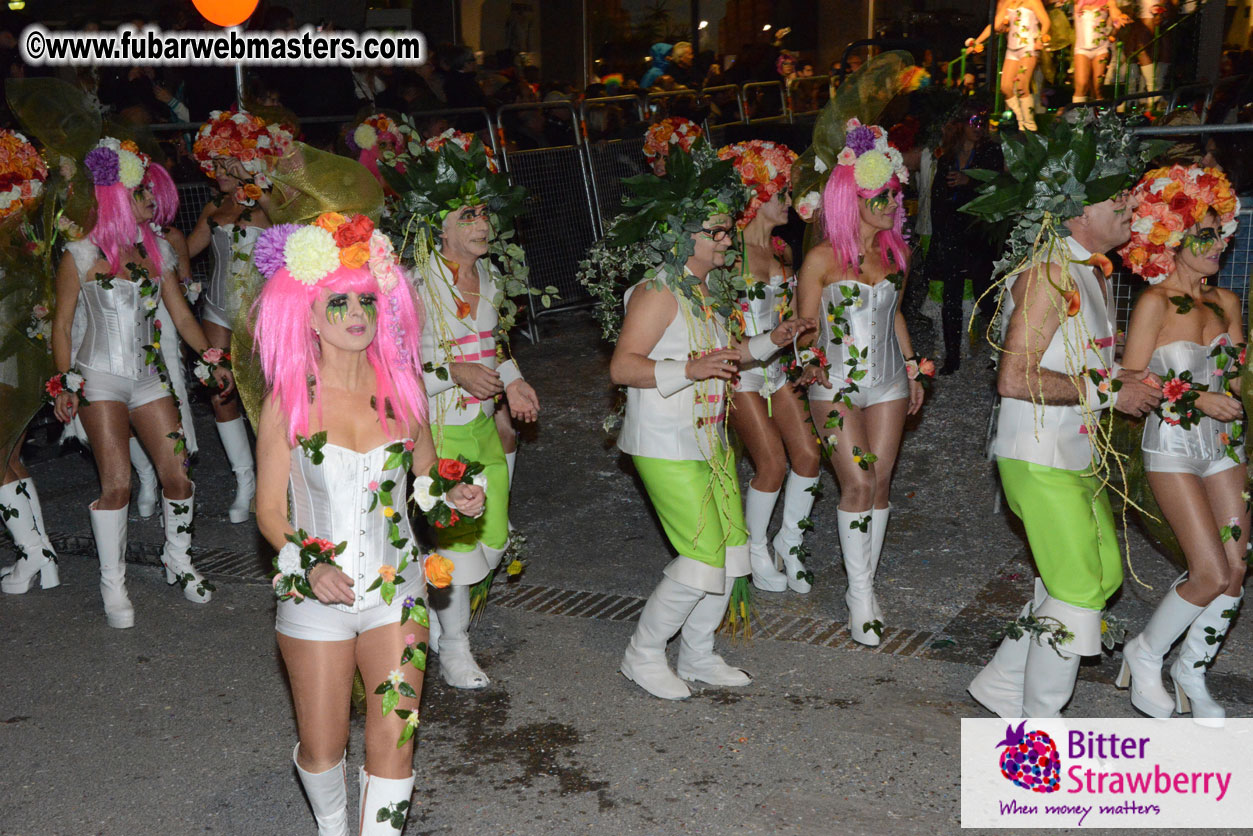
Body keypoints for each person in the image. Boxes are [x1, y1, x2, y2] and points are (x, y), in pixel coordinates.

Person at [253, 211, 483, 836]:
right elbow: (269, 510)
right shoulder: (289, 398)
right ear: (308, 313)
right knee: (323, 747)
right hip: (316, 594)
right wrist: (310, 561)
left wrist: (458, 498)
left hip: (398, 592)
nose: (357, 314)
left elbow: (429, 489)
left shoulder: (404, 391)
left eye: (367, 301)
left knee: (396, 737)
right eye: (340, 303)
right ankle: (333, 825)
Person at [962, 113, 1164, 717]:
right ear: (1078, 211)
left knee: (1098, 577)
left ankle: (1002, 684)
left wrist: (1122, 378)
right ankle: (1038, 733)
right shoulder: (1051, 272)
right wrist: (1111, 394)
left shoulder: (1087, 271)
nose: (1131, 209)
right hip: (1038, 457)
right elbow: (1014, 377)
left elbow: (1078, 363)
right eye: (1118, 199)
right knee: (1078, 589)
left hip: (1073, 454)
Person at [607, 140, 815, 699]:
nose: (728, 239)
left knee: (732, 554)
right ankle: (642, 652)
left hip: (707, 438)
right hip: (663, 442)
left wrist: (772, 340)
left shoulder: (705, 290)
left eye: (728, 232)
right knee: (701, 561)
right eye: (717, 232)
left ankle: (697, 654)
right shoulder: (657, 291)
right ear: (683, 235)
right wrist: (691, 367)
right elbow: (623, 368)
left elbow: (727, 356)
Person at [50, 138, 233, 627]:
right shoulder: (81, 253)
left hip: (148, 378)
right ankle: (113, 584)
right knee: (118, 486)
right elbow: (63, 326)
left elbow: (183, 317)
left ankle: (179, 558)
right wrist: (65, 384)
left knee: (178, 475)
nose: (153, 205)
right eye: (143, 195)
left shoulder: (157, 253)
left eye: (155, 196)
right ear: (116, 197)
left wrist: (213, 358)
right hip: (98, 379)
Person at [382, 128, 537, 690]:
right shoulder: (417, 284)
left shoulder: (488, 277)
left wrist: (513, 384)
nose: (482, 223)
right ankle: (453, 647)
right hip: (437, 430)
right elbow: (391, 370)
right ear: (438, 228)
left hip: (480, 428)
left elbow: (494, 347)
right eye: (468, 215)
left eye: (483, 213)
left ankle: (423, 603)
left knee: (493, 541)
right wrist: (452, 374)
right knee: (459, 542)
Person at [1115, 164, 1245, 723]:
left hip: (1225, 446)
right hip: (1170, 442)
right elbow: (1128, 382)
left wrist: (1234, 388)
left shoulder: (1228, 304)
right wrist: (1197, 399)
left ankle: (1192, 668)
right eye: (1202, 233)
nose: (1215, 244)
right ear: (1169, 236)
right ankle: (1145, 652)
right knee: (1210, 572)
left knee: (1236, 567)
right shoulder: (1155, 304)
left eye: (1219, 233)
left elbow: (1237, 380)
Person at [796, 119, 928, 647]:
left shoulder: (896, 254)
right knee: (857, 482)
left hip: (890, 380)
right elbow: (804, 328)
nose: (892, 204)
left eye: (895, 195)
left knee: (882, 482)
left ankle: (865, 583)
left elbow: (894, 315)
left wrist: (915, 369)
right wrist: (807, 362)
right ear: (853, 200)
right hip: (834, 383)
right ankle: (860, 596)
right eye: (881, 196)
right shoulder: (821, 260)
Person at [716, 140, 822, 594]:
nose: (790, 203)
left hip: (778, 366)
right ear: (758, 196)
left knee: (810, 457)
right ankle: (755, 548)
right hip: (740, 369)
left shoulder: (782, 251)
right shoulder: (729, 254)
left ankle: (790, 541)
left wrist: (809, 350)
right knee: (772, 464)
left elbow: (795, 315)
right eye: (783, 194)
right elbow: (715, 325)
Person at [186, 110, 291, 524]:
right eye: (213, 162)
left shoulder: (267, 201)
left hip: (259, 311)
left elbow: (293, 225)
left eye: (227, 160)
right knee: (218, 388)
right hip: (216, 308)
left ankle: (276, 480)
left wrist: (259, 188)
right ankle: (244, 479)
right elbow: (189, 248)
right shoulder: (212, 205)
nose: (219, 170)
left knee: (268, 396)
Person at [0, 127, 57, 595]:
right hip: (22, 354)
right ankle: (44, 555)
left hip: (7, 353)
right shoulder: (25, 237)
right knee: (10, 455)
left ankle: (33, 552)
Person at [928, 105, 1003, 375]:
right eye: (973, 120)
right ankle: (952, 357)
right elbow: (936, 199)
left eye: (983, 120)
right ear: (961, 124)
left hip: (979, 234)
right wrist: (938, 238)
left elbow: (997, 187)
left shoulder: (991, 152)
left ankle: (1003, 353)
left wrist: (967, 182)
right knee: (951, 299)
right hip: (951, 235)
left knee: (988, 297)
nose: (978, 125)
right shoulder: (947, 157)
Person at [969, 0, 1050, 131]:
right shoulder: (1007, 3)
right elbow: (994, 25)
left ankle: (1029, 125)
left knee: (1021, 86)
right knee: (1005, 87)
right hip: (1012, 49)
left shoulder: (1033, 1)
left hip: (1028, 48)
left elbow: (1046, 21)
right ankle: (1020, 120)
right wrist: (976, 42)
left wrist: (1041, 38)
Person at [1073, 0, 1129, 103]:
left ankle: (1098, 112)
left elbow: (1114, 11)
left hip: (1101, 49)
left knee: (1097, 86)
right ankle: (1078, 116)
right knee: (1081, 84)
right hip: (1081, 49)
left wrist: (1118, 17)